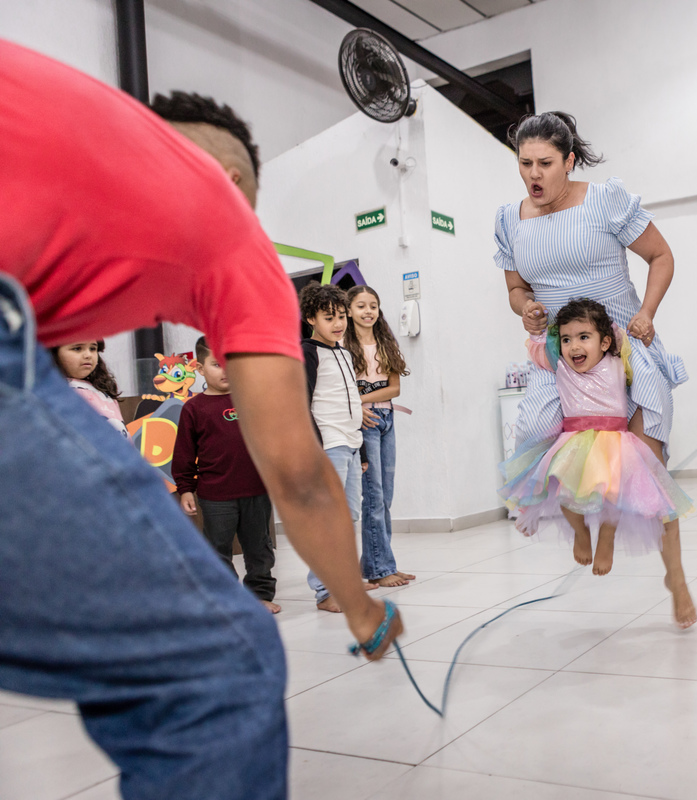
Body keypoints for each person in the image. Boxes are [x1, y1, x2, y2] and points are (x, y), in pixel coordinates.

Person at [0, 41, 400, 800]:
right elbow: (299, 474)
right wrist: (360, 604)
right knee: (222, 665)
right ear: (235, 180)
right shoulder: (226, 215)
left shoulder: (62, 145)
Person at [494, 111, 697, 628]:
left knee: (647, 469)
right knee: (537, 434)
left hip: (623, 343)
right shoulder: (509, 219)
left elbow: (661, 256)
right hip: (561, 355)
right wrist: (526, 309)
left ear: (570, 161)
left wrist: (646, 312)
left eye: (545, 163)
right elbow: (516, 289)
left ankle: (676, 578)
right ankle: (584, 525)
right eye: (524, 164)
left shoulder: (606, 200)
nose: (533, 175)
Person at [500, 298, 694, 576]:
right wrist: (536, 328)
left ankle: (606, 536)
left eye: (583, 337)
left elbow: (624, 338)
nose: (574, 346)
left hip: (614, 443)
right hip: (574, 442)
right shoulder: (561, 366)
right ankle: (580, 532)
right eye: (566, 339)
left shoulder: (616, 360)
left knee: (614, 497)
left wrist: (634, 323)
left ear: (604, 343)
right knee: (564, 493)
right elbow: (538, 349)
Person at [173, 336, 280, 614]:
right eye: (217, 364)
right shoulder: (193, 409)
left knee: (259, 548)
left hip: (257, 490)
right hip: (216, 495)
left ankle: (259, 595)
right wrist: (185, 488)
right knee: (218, 549)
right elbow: (184, 454)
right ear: (199, 367)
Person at [301, 283, 374, 612]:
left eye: (342, 316)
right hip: (327, 444)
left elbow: (352, 406)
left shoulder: (344, 352)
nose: (338, 323)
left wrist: (362, 452)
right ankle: (324, 590)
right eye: (329, 317)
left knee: (350, 516)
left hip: (350, 444)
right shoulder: (307, 352)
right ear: (310, 319)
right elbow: (302, 402)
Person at [343, 285, 416, 588]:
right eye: (361, 306)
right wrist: (360, 404)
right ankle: (380, 568)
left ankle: (381, 563)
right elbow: (343, 391)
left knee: (385, 495)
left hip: (386, 418)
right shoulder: (344, 348)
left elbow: (395, 388)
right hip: (365, 422)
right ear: (349, 310)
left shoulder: (385, 342)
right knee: (372, 497)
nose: (368, 311)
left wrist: (361, 397)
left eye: (373, 305)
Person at [50, 340, 128, 438]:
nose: (88, 355)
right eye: (77, 348)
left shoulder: (103, 390)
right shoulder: (53, 391)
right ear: (54, 352)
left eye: (93, 348)